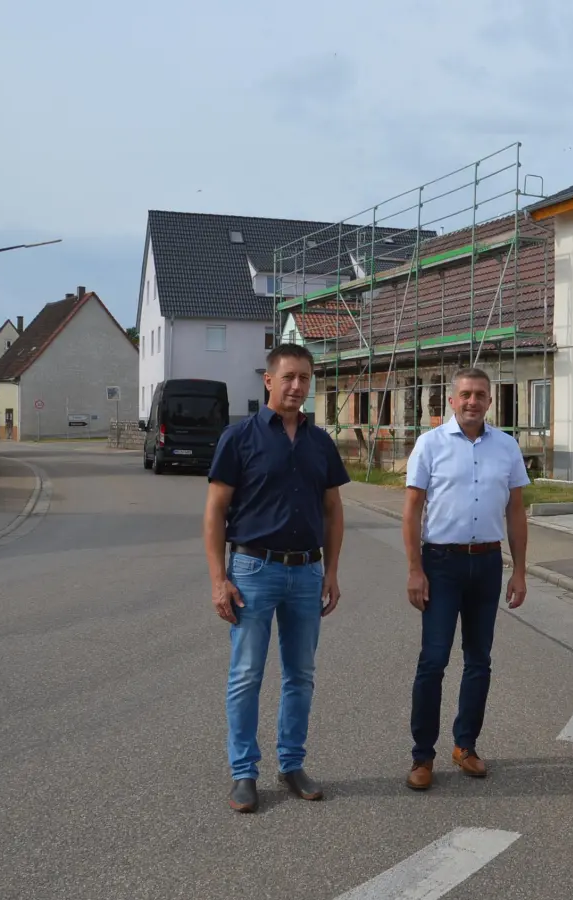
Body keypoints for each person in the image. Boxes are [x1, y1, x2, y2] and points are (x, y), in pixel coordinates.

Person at [202, 343, 350, 814]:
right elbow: (215, 512)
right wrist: (218, 579)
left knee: (300, 676)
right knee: (245, 675)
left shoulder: (320, 442)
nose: (297, 386)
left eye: (304, 378)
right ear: (268, 380)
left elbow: (333, 510)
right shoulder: (239, 437)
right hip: (252, 571)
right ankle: (244, 773)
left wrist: (331, 571)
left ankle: (292, 764)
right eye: (288, 377)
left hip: (306, 572)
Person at [402, 368, 531, 790]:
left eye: (480, 395)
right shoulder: (430, 444)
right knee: (434, 660)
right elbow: (412, 510)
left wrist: (520, 570)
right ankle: (423, 756)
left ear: (489, 402)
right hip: (440, 563)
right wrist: (414, 569)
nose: (472, 401)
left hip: (487, 563)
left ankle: (466, 746)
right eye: (465, 394)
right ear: (452, 400)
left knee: (479, 660)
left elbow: (515, 510)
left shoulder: (507, 446)